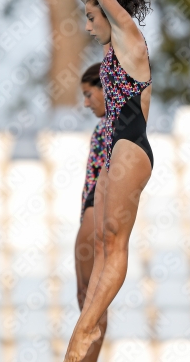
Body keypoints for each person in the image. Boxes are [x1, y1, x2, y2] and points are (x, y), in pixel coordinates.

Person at [30, 0, 153, 362]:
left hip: (132, 142)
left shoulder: (129, 37)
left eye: (90, 16)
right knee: (99, 240)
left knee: (112, 240)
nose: (85, 23)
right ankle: (89, 331)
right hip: (116, 143)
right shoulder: (109, 41)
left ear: (110, 13)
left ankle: (84, 331)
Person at [75, 63, 107, 362]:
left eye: (89, 94)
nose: (86, 103)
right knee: (86, 299)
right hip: (89, 214)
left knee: (93, 305)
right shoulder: (103, 127)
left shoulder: (118, 124)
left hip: (97, 214)